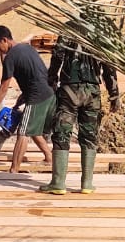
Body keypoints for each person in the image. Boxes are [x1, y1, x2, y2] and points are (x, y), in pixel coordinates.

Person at [43, 34, 120, 194]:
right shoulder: (100, 34)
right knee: (89, 135)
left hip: (69, 88)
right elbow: (109, 67)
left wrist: (51, 79)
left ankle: (58, 183)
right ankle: (87, 183)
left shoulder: (68, 29)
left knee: (62, 133)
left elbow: (57, 55)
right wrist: (114, 95)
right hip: (92, 91)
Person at [0, 26, 55, 174]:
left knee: (23, 132)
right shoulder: (28, 48)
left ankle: (14, 170)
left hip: (37, 96)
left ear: (4, 40)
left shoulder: (10, 57)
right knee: (32, 126)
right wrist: (23, 96)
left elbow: (4, 86)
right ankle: (49, 157)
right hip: (49, 93)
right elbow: (37, 73)